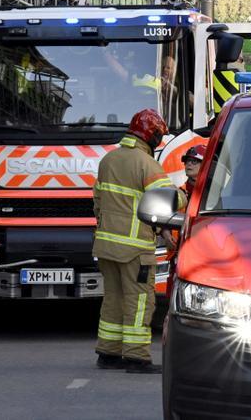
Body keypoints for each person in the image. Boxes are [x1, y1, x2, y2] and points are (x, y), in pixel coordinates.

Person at [92, 108, 173, 374]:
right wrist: (184, 196)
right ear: (153, 135)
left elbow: (98, 203)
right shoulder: (146, 163)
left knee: (112, 298)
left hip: (105, 245)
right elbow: (167, 200)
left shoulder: (108, 159)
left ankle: (108, 353)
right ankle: (137, 357)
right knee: (139, 301)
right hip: (135, 249)